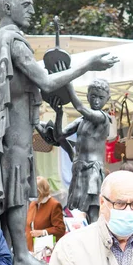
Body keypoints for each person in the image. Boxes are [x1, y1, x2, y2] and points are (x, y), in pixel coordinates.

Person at [0, 0, 118, 265]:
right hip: (12, 131)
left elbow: (15, 88)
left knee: (9, 190)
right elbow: (46, 83)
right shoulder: (14, 42)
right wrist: (89, 65)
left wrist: (41, 123)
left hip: (3, 128)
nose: (32, 10)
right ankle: (20, 256)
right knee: (16, 189)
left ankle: (9, 253)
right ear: (8, 8)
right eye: (26, 4)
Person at [53, 79, 111, 224]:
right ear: (88, 96)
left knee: (94, 210)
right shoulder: (82, 120)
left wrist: (68, 84)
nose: (96, 101)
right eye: (93, 96)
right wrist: (59, 114)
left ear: (107, 99)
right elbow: (59, 135)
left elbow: (79, 107)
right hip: (80, 168)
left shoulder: (102, 118)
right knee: (84, 210)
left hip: (93, 169)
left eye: (101, 98)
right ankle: (91, 239)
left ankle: (96, 240)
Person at [26, 176, 66, 252]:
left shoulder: (54, 205)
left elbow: (60, 229)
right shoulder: (33, 204)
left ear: (40, 191)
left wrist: (43, 232)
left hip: (44, 249)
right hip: (30, 249)